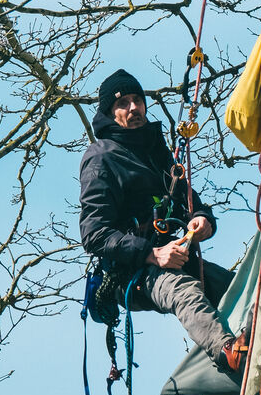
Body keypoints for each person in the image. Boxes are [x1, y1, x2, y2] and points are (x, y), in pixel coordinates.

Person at [79, 69, 247, 373]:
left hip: (173, 256)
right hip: (131, 272)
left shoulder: (156, 151)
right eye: (123, 103)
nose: (133, 108)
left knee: (239, 288)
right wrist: (151, 254)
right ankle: (230, 354)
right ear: (110, 113)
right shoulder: (101, 157)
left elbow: (190, 201)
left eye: (137, 100)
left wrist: (202, 219)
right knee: (184, 291)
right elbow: (94, 233)